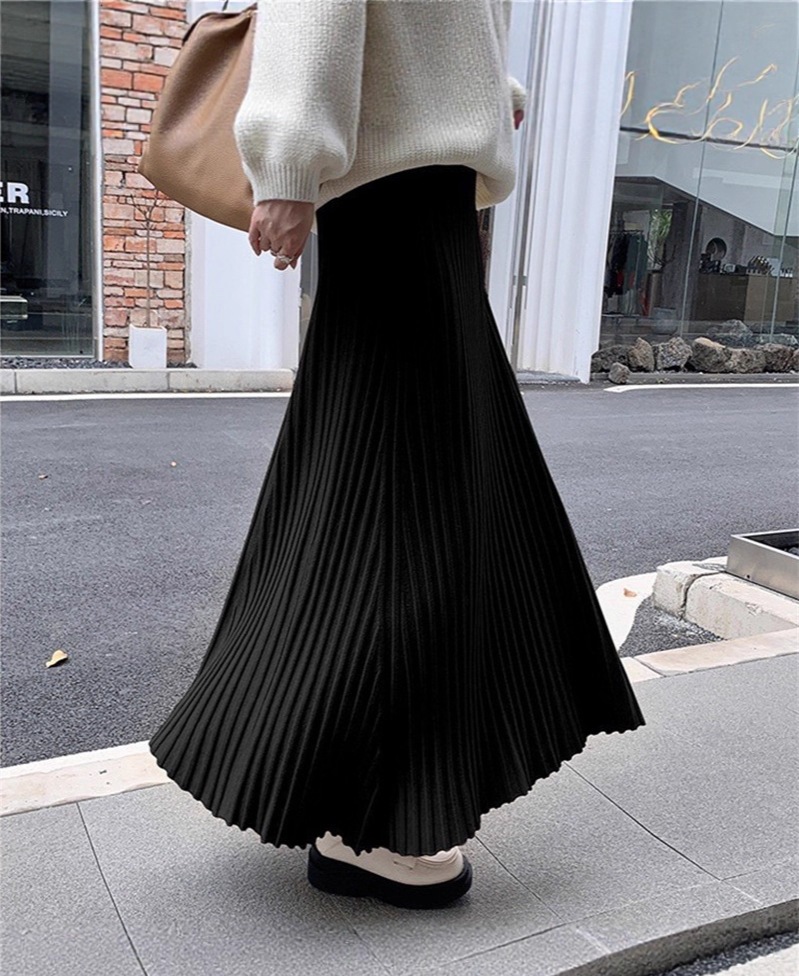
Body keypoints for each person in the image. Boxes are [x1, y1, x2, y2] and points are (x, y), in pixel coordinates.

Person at [148, 0, 646, 910]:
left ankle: (356, 792)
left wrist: (487, 91)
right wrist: (287, 160)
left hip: (421, 185)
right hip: (392, 189)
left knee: (402, 478)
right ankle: (366, 819)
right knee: (401, 490)